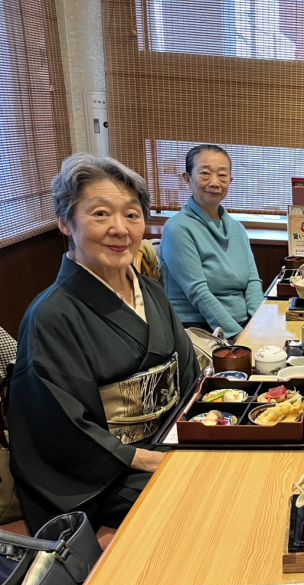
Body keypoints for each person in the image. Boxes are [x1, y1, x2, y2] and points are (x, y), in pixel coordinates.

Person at [8, 154, 199, 531]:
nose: (120, 229)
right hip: (108, 477)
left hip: (169, 446)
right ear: (65, 222)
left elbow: (190, 379)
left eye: (132, 214)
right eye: (100, 214)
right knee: (203, 501)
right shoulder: (51, 317)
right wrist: (147, 459)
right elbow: (60, 430)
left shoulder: (150, 292)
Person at [160, 145, 263, 339]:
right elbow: (198, 293)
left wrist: (260, 324)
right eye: (205, 174)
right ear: (187, 178)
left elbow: (252, 282)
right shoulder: (177, 228)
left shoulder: (237, 228)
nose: (215, 183)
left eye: (222, 175)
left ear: (230, 180)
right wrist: (239, 338)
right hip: (199, 330)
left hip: (243, 325)